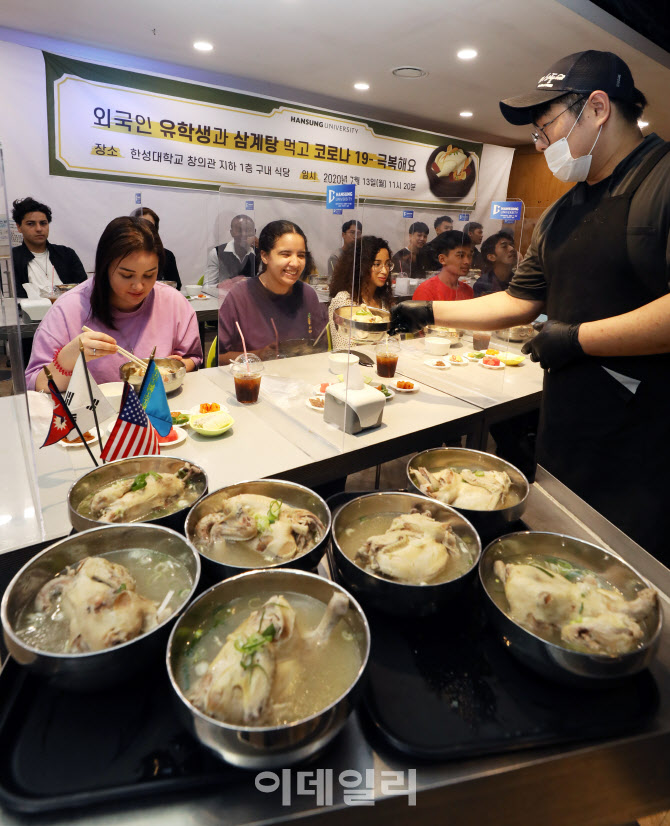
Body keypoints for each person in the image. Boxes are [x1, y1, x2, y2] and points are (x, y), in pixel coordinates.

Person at [389, 50, 670, 563]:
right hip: (566, 422)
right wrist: (427, 312)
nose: (541, 145)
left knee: (627, 575)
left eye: (546, 128)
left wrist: (577, 337)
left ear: (599, 108)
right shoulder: (564, 209)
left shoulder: (661, 183)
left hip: (646, 440)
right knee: (557, 555)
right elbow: (519, 300)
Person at [25, 216, 202, 391]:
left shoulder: (173, 302)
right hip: (96, 414)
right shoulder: (69, 308)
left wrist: (179, 365)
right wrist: (68, 358)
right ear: (105, 267)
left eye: (149, 275)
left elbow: (191, 358)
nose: (139, 286)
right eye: (126, 275)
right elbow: (36, 383)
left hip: (161, 409)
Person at [218, 220, 327, 364]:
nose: (295, 263)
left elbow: (320, 348)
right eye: (285, 254)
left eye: (301, 255)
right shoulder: (240, 297)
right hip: (254, 381)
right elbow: (219, 358)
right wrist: (259, 355)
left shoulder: (307, 294)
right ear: (265, 256)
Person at [11, 197, 87, 299]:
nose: (39, 229)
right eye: (31, 224)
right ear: (19, 227)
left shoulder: (67, 254)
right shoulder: (11, 259)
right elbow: (16, 300)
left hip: (69, 312)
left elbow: (84, 290)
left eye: (43, 223)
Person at [328, 235, 394, 349]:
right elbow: (344, 350)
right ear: (361, 266)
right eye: (377, 264)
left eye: (387, 264)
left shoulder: (383, 301)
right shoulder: (344, 301)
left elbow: (393, 342)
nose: (384, 270)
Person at [411, 231, 474, 301]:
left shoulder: (468, 290)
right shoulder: (426, 290)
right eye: (460, 256)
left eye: (470, 256)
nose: (467, 261)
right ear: (442, 259)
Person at [130, 207, 182, 290]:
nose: (145, 230)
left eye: (150, 226)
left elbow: (176, 285)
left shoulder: (167, 255)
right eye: (141, 225)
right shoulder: (125, 255)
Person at [204, 214, 258, 288]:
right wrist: (225, 285)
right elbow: (207, 287)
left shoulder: (261, 254)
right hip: (223, 298)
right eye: (239, 230)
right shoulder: (217, 253)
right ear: (231, 232)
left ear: (254, 232)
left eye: (248, 230)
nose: (244, 234)